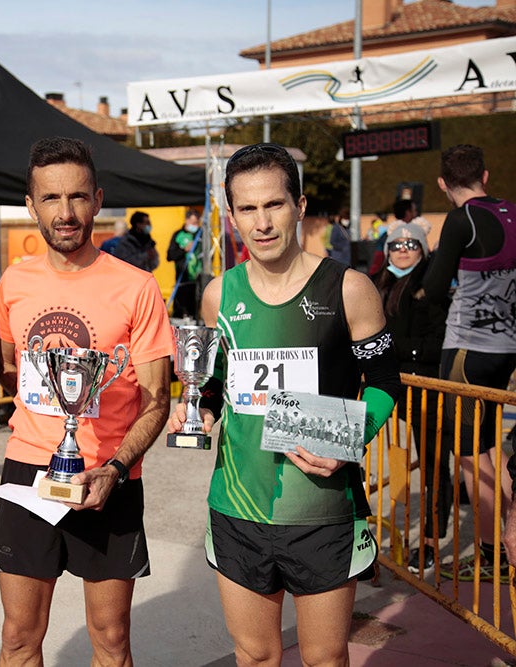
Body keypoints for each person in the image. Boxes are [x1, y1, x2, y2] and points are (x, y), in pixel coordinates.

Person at [168, 143, 400, 666]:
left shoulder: (349, 287)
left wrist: (351, 441)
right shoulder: (217, 294)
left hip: (321, 505)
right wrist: (201, 408)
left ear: (299, 205)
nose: (262, 222)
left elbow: (385, 379)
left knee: (323, 658)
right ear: (231, 216)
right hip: (237, 507)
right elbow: (213, 378)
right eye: (247, 209)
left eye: (273, 204)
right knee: (253, 655)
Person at [0, 136, 173, 665]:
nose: (64, 213)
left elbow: (156, 399)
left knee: (111, 640)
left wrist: (115, 468)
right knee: (19, 637)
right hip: (29, 470)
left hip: (108, 475)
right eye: (50, 198)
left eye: (76, 197)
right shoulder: (14, 282)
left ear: (97, 198)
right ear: (31, 206)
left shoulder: (138, 286)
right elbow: (9, 370)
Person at [424, 143, 516, 583]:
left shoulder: (462, 219)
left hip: (467, 348)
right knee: (496, 449)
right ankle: (509, 539)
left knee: (468, 455)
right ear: (486, 174)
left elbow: (436, 285)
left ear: (444, 184)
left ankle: (490, 554)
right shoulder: (512, 213)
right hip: (508, 349)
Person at [371, 219, 451, 574]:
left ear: (423, 250)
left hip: (426, 389)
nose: (403, 251)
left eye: (411, 245)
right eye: (397, 246)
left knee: (434, 466)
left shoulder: (431, 287)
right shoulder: (379, 283)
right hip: (389, 389)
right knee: (364, 457)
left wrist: (391, 349)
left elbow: (437, 343)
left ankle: (431, 541)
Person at [166, 208, 203, 319]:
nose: (194, 225)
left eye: (196, 223)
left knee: (195, 309)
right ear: (186, 221)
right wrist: (184, 250)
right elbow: (170, 256)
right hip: (182, 279)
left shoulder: (200, 234)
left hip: (197, 280)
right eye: (192, 223)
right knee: (180, 309)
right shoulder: (178, 235)